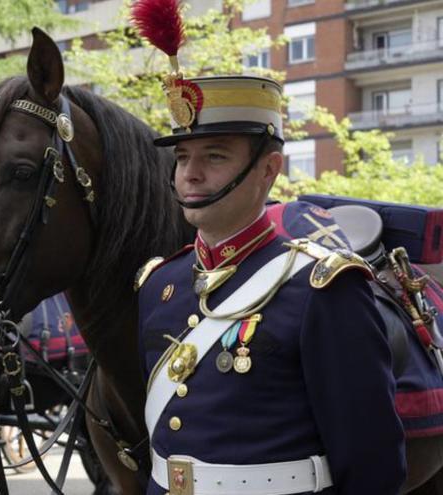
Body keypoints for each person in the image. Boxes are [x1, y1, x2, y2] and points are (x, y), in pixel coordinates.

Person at [130, 1, 406, 494]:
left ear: (269, 169)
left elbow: (372, 464)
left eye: (214, 157)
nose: (190, 174)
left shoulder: (324, 288)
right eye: (183, 157)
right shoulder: (159, 284)